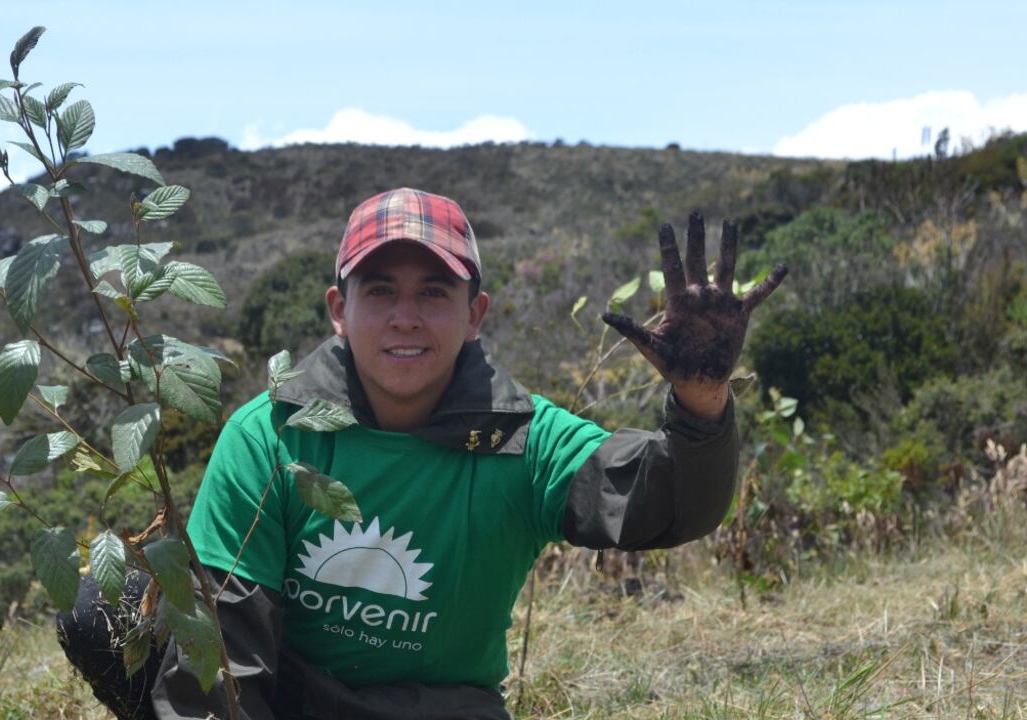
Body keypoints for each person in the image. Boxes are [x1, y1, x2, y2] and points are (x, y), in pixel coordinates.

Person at [58, 187, 787, 719]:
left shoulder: (523, 441)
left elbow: (666, 504)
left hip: (443, 707)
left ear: (475, 315)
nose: (405, 318)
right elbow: (224, 660)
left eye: (434, 293)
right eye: (380, 291)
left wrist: (701, 400)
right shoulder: (270, 434)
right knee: (102, 607)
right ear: (339, 311)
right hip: (290, 700)